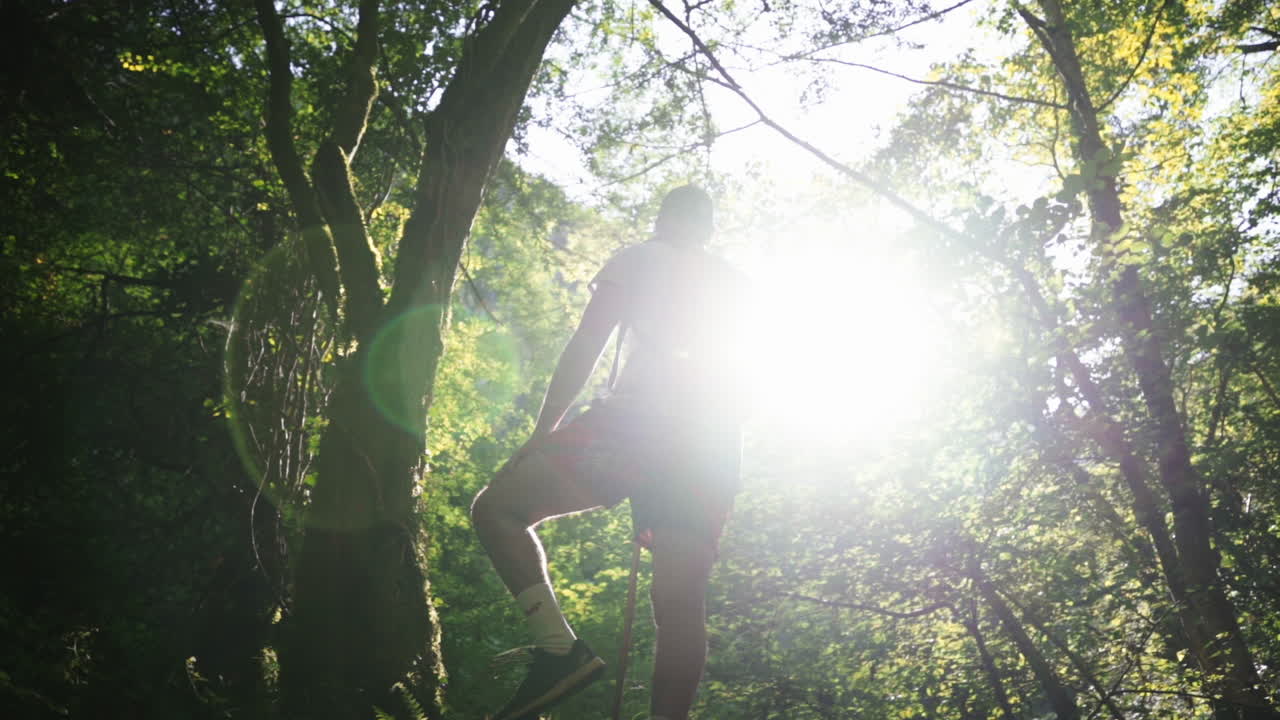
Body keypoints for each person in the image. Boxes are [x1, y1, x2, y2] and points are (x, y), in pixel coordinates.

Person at [470, 185, 752, 720]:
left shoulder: (641, 257)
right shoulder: (739, 286)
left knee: (496, 508)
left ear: (663, 220)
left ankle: (558, 649)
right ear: (709, 229)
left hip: (636, 423)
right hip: (711, 442)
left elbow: (588, 341)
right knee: (679, 604)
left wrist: (544, 428)